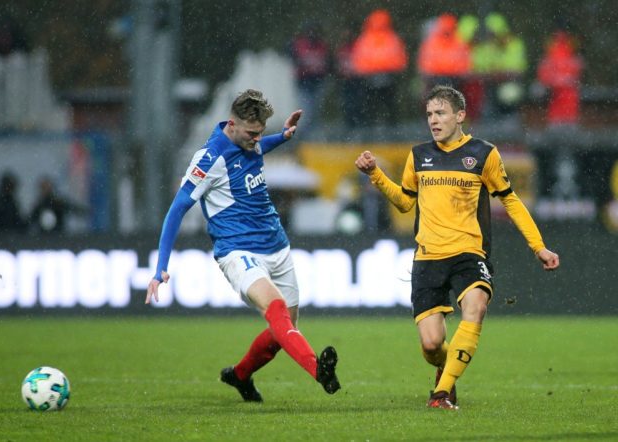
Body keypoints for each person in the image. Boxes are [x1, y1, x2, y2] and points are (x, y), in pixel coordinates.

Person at [354, 85, 559, 410]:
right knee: (432, 345)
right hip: (428, 258)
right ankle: (444, 370)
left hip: (469, 254)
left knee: (475, 309)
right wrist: (375, 174)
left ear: (460, 115)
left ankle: (442, 394)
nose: (433, 120)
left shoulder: (482, 154)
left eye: (440, 113)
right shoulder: (419, 156)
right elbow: (406, 203)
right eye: (429, 115)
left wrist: (539, 247)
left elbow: (511, 200)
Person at [145, 89, 340, 401]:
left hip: (277, 244)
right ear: (231, 124)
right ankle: (319, 370)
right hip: (239, 251)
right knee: (276, 310)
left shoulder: (248, 139)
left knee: (282, 332)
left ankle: (240, 376)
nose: (256, 139)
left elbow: (260, 146)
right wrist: (160, 269)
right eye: (252, 134)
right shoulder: (209, 159)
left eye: (260, 133)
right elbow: (176, 209)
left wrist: (283, 137)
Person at [350, 9, 408, 126]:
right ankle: (387, 129)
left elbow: (357, 60)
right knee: (386, 105)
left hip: (375, 77)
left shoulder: (365, 39)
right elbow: (400, 59)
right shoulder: (392, 38)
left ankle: (374, 129)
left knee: (373, 106)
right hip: (381, 77)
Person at [288, 21, 330, 130]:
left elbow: (327, 64)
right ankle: (303, 136)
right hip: (304, 83)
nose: (312, 35)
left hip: (317, 82)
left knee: (316, 112)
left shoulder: (322, 46)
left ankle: (312, 137)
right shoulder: (299, 45)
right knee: (306, 112)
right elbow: (294, 60)